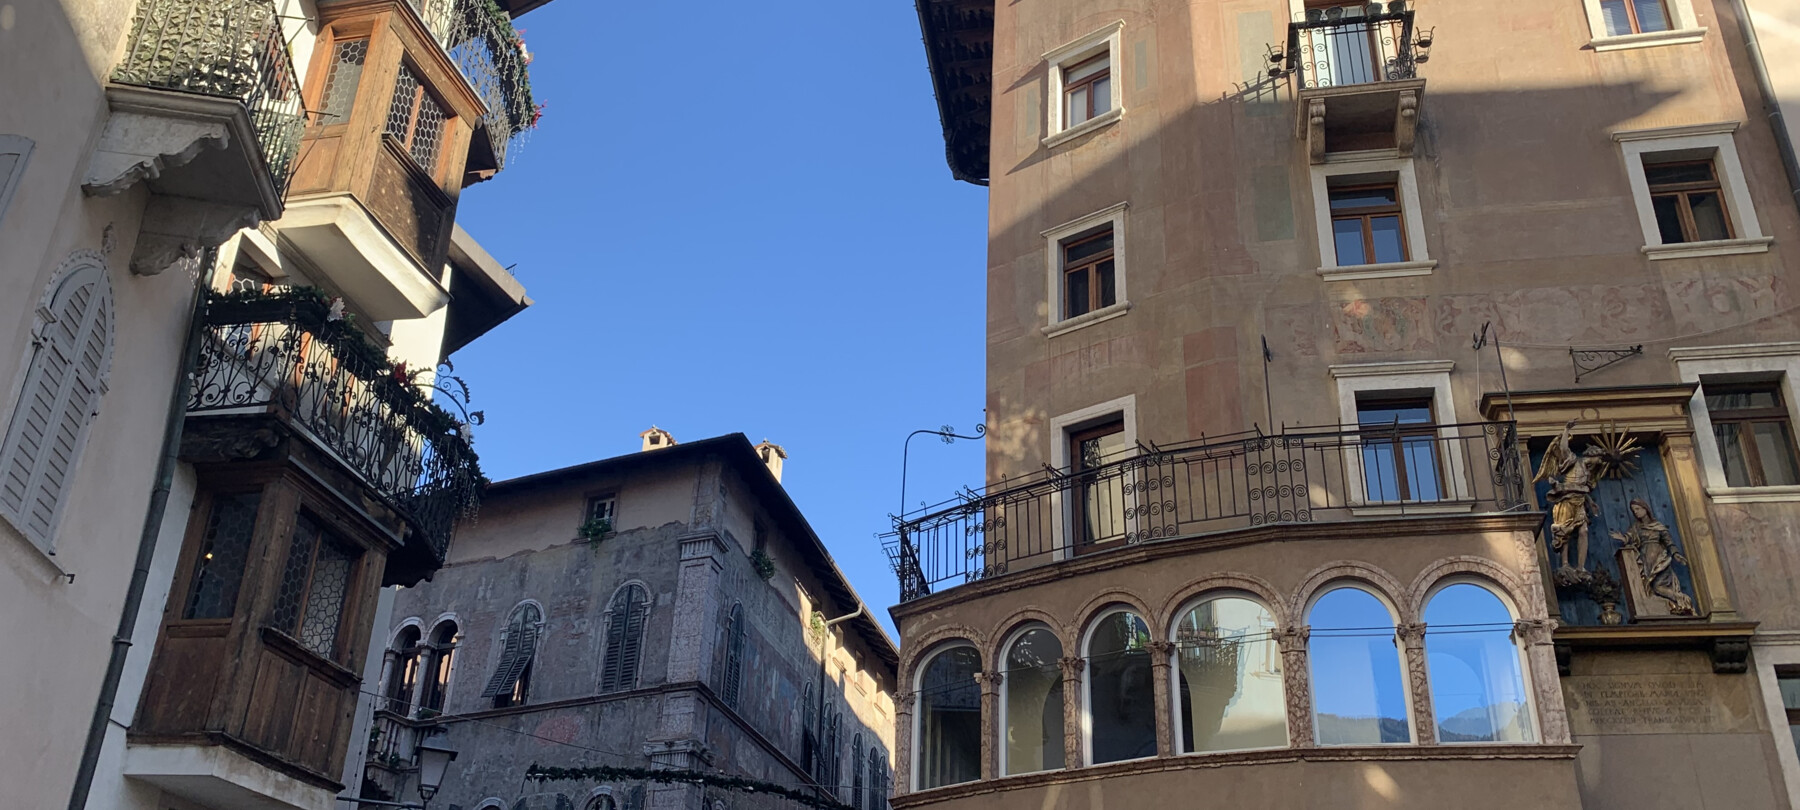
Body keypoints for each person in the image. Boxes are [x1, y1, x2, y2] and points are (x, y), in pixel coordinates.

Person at [1611, 497, 1695, 616]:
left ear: (1645, 508)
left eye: (1637, 509)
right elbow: (1628, 537)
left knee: (1658, 586)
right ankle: (1670, 605)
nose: (1636, 512)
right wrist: (1623, 538)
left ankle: (1682, 600)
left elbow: (1669, 542)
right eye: (1634, 510)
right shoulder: (1636, 527)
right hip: (1645, 559)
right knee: (1649, 586)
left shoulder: (1658, 526)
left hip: (1660, 558)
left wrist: (1675, 554)